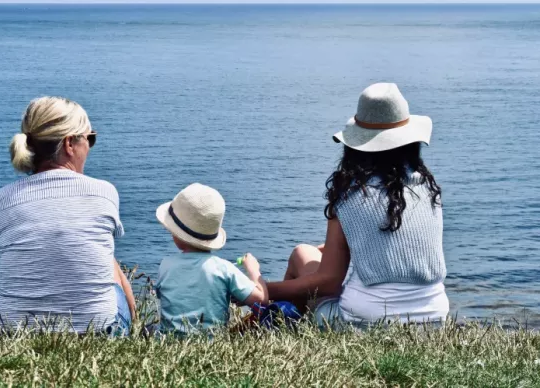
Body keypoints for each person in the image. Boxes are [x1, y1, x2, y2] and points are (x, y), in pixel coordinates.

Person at [267, 83, 449, 326]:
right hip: (434, 320)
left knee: (301, 254)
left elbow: (330, 280)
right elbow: (398, 243)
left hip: (363, 322)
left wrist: (264, 288)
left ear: (357, 146)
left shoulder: (349, 194)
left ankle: (280, 325)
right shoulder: (427, 188)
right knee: (310, 254)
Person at [0, 96, 136, 334]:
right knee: (108, 261)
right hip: (97, 331)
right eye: (90, 139)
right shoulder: (103, 192)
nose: (90, 147)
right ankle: (132, 329)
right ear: (69, 144)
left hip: (9, 331)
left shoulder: (0, 199)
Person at [155, 183, 268, 334]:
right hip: (213, 345)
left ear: (176, 234)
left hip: (168, 343)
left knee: (149, 329)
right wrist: (253, 270)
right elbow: (262, 300)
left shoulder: (165, 266)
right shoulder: (224, 268)